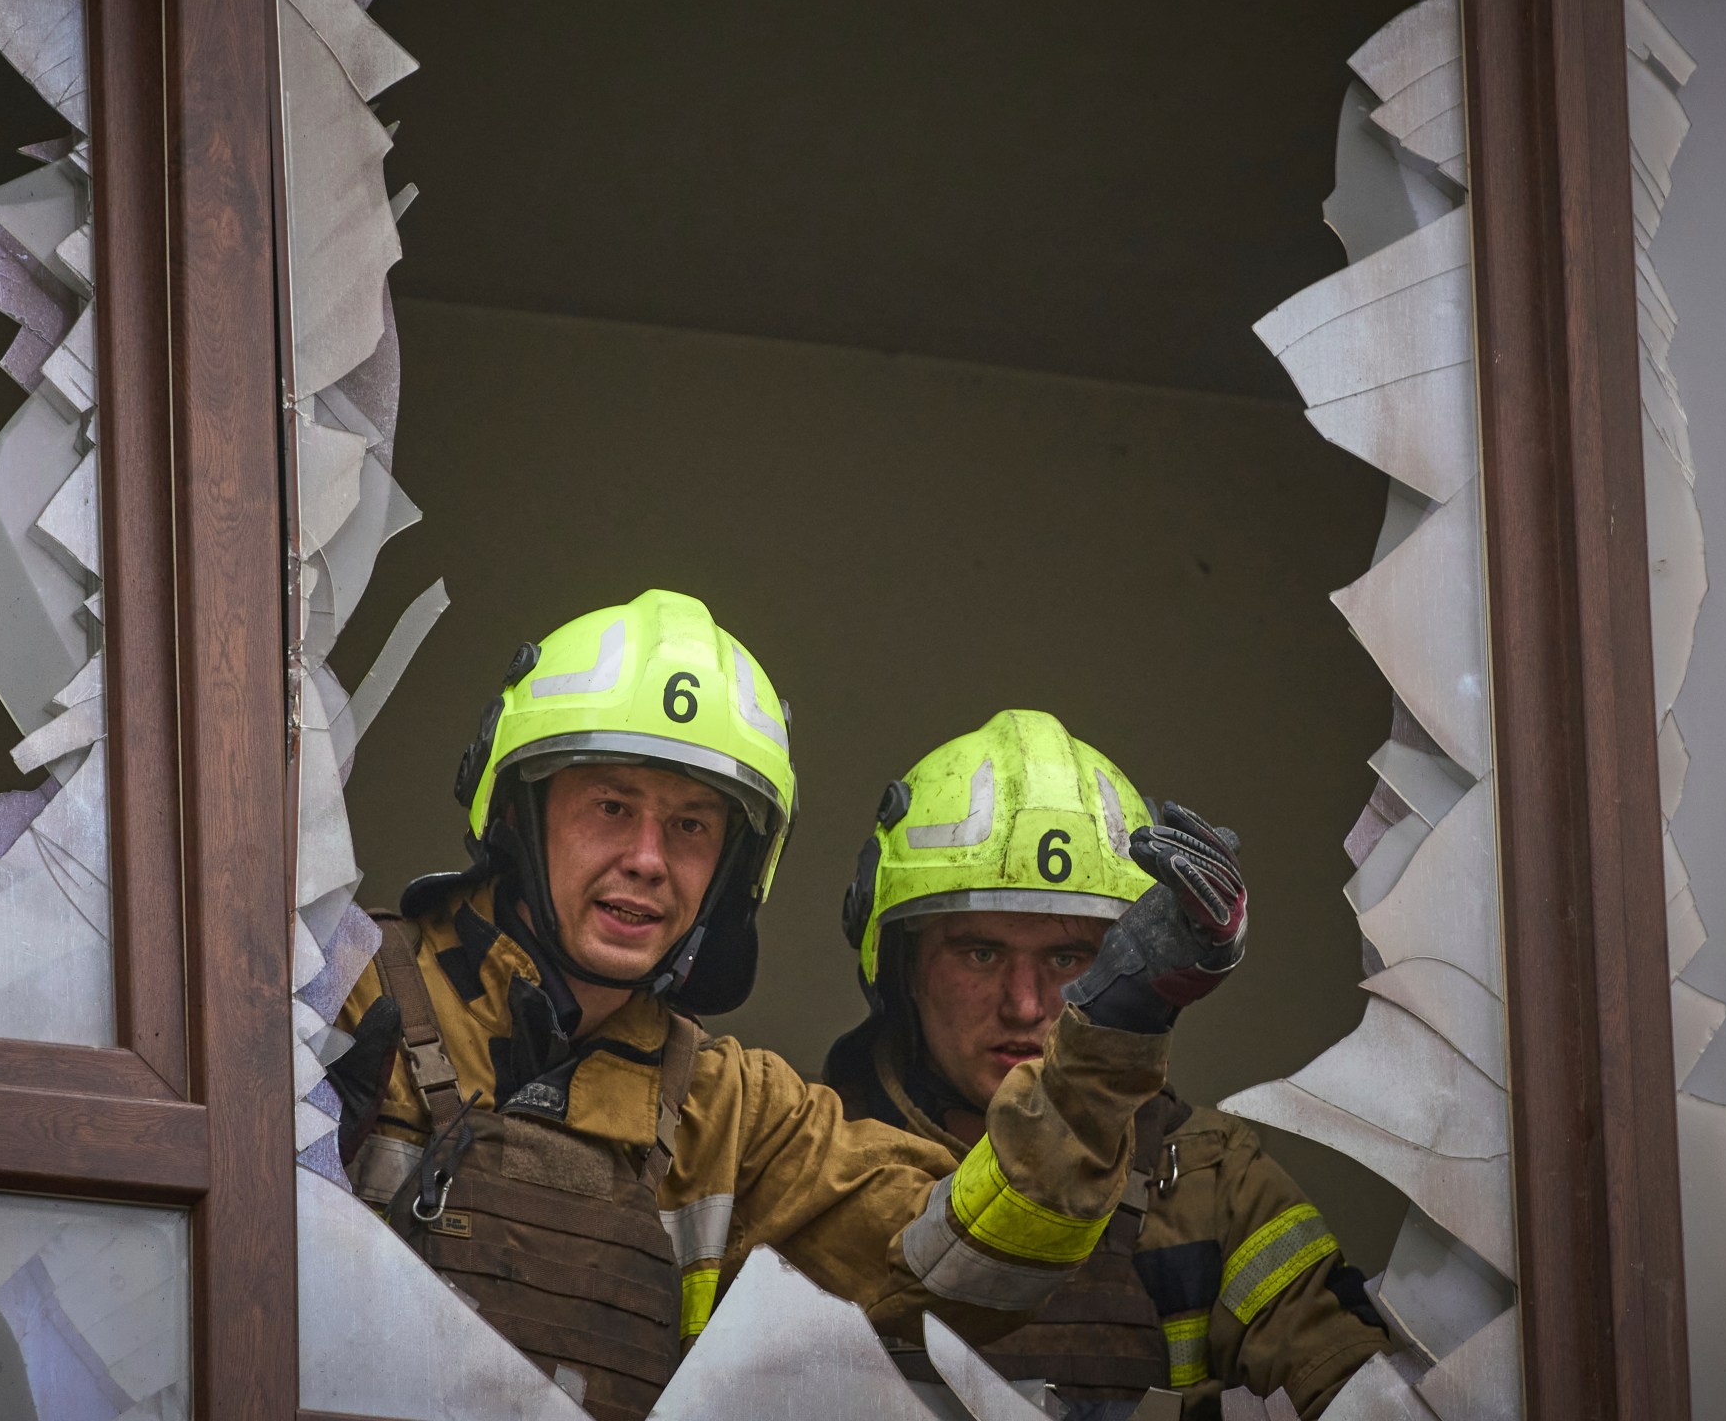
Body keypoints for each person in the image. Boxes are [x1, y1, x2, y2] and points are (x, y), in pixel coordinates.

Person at [320, 593, 1248, 1421]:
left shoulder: (737, 1115)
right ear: (519, 812)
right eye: (611, 806)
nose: (650, 856)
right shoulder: (341, 989)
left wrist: (1112, 1031)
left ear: (733, 866)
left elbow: (977, 1264)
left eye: (690, 824)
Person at [825, 710, 1393, 1419]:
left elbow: (1358, 1395)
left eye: (1069, 958)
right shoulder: (802, 1165)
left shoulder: (1212, 1187)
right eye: (981, 953)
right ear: (900, 963)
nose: (1027, 1005)